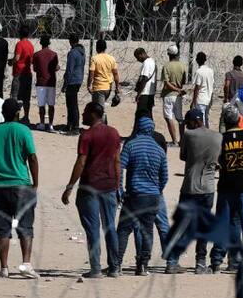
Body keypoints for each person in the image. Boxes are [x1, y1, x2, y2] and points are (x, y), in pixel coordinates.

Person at [62, 102, 122, 278]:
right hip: (109, 186)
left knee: (92, 228)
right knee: (110, 226)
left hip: (90, 187)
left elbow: (81, 162)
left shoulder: (87, 135)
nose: (83, 116)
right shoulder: (113, 133)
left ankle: (96, 268)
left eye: (86, 112)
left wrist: (69, 186)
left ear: (93, 114)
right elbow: (117, 160)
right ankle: (114, 267)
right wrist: (117, 184)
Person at [0, 98, 39, 279]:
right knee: (25, 226)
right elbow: (32, 157)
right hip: (21, 183)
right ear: (17, 113)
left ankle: (4, 267)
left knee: (1, 228)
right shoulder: (23, 130)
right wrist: (35, 183)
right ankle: (26, 264)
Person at [168, 107, 221, 274]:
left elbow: (183, 156)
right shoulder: (218, 136)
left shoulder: (188, 135)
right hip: (208, 187)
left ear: (194, 121)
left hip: (190, 186)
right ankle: (200, 263)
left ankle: (173, 260)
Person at [211, 109, 243, 273]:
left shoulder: (221, 139)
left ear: (225, 122)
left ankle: (218, 260)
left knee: (226, 224)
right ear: (239, 120)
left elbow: (217, 161)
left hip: (226, 187)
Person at [116, 115, 169, 275]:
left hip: (134, 195)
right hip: (152, 196)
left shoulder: (130, 145)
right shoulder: (159, 150)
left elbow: (120, 168)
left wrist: (120, 189)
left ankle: (117, 264)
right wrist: (157, 189)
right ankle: (143, 265)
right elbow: (165, 176)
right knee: (148, 231)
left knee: (124, 230)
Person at [160, 45, 187, 146]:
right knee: (180, 118)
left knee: (168, 117)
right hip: (178, 96)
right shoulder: (182, 65)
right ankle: (182, 140)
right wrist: (179, 89)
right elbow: (184, 80)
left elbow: (166, 83)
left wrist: (176, 89)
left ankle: (175, 140)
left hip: (168, 94)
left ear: (169, 54)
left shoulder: (166, 66)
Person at [31, 36, 58, 131]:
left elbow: (34, 69)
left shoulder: (36, 55)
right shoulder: (54, 54)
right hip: (51, 82)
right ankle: (50, 124)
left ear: (41, 43)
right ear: (49, 43)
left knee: (41, 104)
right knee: (51, 104)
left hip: (41, 81)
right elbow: (55, 67)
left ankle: (42, 123)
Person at [9, 25, 35, 121]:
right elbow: (31, 60)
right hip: (28, 73)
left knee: (15, 95)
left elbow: (17, 58)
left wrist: (11, 62)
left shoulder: (19, 44)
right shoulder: (31, 45)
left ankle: (15, 116)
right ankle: (26, 116)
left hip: (19, 73)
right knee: (26, 97)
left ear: (20, 33)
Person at [63, 34, 86, 134]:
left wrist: (65, 84)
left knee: (72, 104)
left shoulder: (72, 53)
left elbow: (69, 70)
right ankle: (70, 125)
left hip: (72, 81)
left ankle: (74, 127)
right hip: (79, 79)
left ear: (71, 41)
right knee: (72, 103)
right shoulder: (82, 53)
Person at [87, 39, 119, 107]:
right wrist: (117, 87)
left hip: (98, 87)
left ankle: (103, 117)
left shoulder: (94, 58)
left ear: (96, 48)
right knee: (99, 108)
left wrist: (89, 85)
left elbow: (91, 74)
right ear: (105, 48)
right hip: (108, 88)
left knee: (99, 110)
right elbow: (115, 74)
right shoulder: (111, 58)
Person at [191, 52, 216, 128]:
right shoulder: (210, 71)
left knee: (201, 121)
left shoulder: (199, 72)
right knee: (206, 118)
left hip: (201, 99)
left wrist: (193, 102)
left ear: (197, 60)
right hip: (208, 99)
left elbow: (197, 88)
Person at [133, 47, 157, 117]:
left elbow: (144, 79)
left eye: (137, 57)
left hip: (144, 94)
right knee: (148, 115)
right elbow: (155, 80)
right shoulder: (153, 62)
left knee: (140, 115)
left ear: (142, 54)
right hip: (151, 93)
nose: (137, 60)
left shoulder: (146, 63)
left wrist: (139, 94)